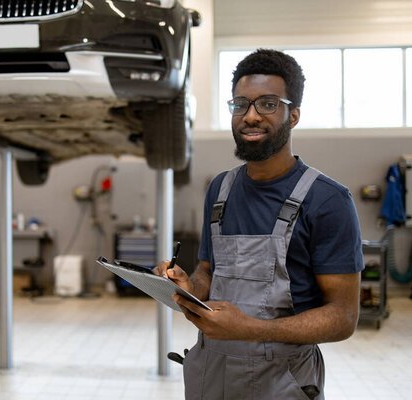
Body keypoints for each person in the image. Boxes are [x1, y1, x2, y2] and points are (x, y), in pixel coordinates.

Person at [154, 49, 363, 400]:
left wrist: (251, 329)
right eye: (240, 104)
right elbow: (209, 270)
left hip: (281, 381)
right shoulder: (220, 189)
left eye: (267, 104)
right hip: (209, 374)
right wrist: (190, 286)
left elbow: (343, 317)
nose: (250, 116)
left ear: (292, 115)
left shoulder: (327, 201)